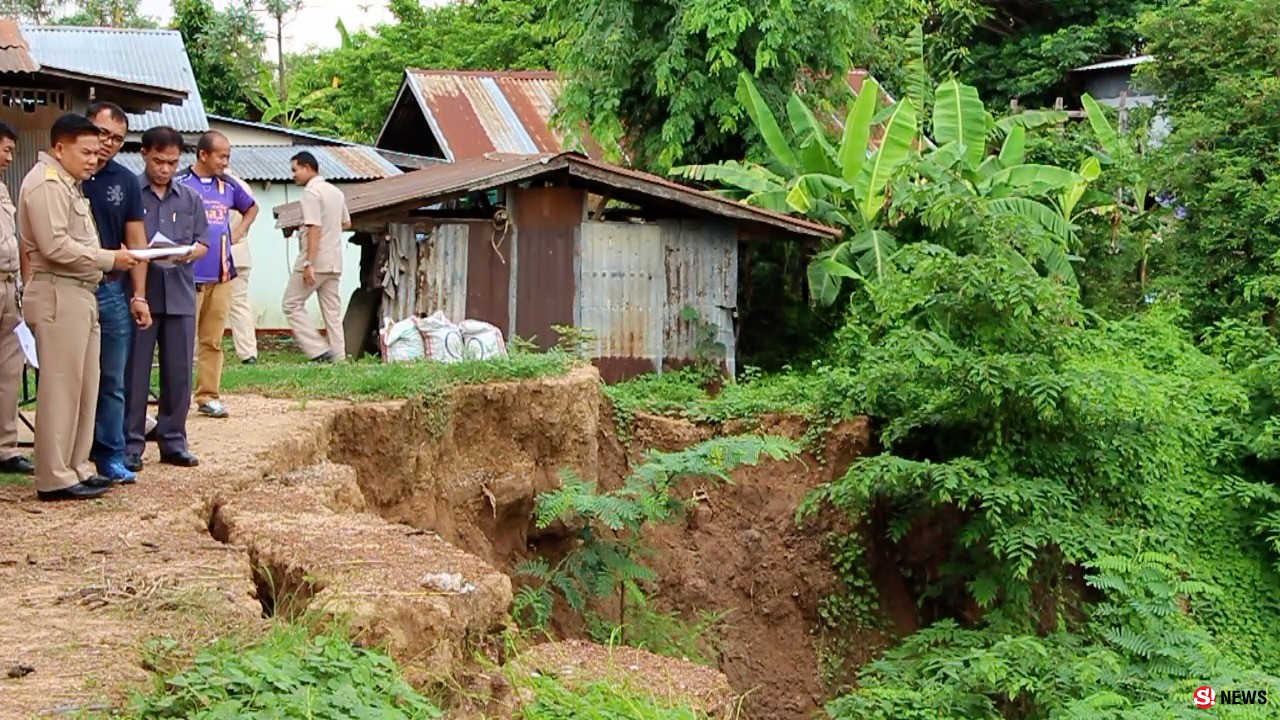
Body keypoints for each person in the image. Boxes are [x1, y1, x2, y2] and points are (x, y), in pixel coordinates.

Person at [18, 113, 138, 501]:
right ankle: (53, 476)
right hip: (58, 292)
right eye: (85, 151)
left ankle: (77, 466)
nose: (93, 158)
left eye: (97, 152)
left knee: (86, 385)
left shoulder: (70, 185)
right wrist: (108, 260)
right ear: (59, 148)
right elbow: (55, 247)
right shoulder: (46, 184)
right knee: (61, 386)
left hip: (81, 292)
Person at [123, 126, 207, 472]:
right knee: (135, 372)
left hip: (180, 293)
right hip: (140, 295)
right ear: (144, 154)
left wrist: (191, 252)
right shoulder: (131, 192)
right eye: (159, 161)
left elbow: (204, 241)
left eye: (172, 162)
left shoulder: (190, 198)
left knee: (178, 372)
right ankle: (130, 443)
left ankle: (173, 439)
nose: (165, 169)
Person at [83, 102, 151, 483]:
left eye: (117, 139)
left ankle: (110, 454)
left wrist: (138, 295)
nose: (107, 144)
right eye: (102, 133)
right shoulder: (62, 177)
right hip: (70, 287)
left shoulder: (124, 181)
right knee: (70, 377)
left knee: (113, 379)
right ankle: (69, 456)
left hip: (110, 291)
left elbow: (136, 243)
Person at [176, 131, 257, 419]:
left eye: (228, 156)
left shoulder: (228, 186)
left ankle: (208, 396)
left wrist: (235, 233)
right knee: (182, 341)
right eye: (221, 156)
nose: (226, 161)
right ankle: (176, 399)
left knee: (212, 339)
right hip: (188, 276)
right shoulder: (181, 184)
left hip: (222, 273)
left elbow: (252, 207)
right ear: (203, 155)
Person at [283, 151, 350, 362]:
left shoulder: (311, 194)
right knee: (332, 313)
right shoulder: (335, 192)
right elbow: (346, 223)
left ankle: (318, 351)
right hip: (334, 262)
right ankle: (339, 358)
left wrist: (308, 263)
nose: (293, 175)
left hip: (315, 261)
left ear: (306, 167)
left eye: (295, 170)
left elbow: (314, 229)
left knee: (291, 304)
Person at [0, 121, 33, 476]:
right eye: (6, 149)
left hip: (10, 286)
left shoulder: (3, 190)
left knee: (10, 370)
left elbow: (19, 239)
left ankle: (6, 447)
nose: (10, 156)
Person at [224, 171, 258, 365]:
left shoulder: (213, 185)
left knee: (202, 305)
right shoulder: (244, 185)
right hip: (241, 251)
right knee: (240, 304)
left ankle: (194, 354)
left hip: (216, 253)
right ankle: (248, 353)